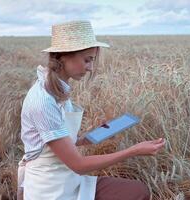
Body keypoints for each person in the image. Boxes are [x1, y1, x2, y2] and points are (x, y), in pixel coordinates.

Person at [17, 20, 166, 200]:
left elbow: (62, 143)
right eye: (87, 60)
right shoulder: (43, 101)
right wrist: (133, 151)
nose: (90, 68)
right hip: (51, 188)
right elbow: (78, 164)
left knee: (138, 191)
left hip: (68, 178)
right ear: (63, 56)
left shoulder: (57, 89)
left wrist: (95, 135)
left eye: (92, 60)